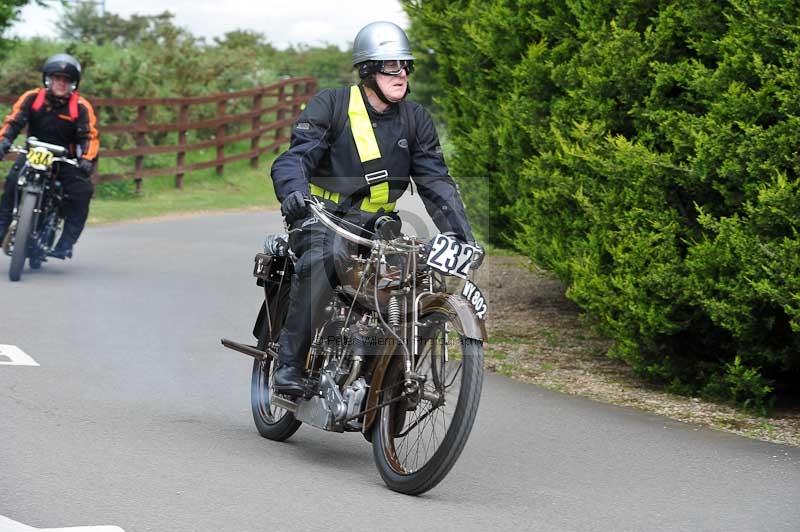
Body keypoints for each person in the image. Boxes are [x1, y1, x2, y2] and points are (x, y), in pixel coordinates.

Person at [269, 21, 479, 396]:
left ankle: (384, 376)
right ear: (367, 69)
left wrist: (462, 236)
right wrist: (294, 195)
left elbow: (436, 182)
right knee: (325, 257)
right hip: (323, 217)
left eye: (405, 65)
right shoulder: (332, 105)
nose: (401, 73)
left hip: (379, 227)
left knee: (414, 274)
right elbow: (293, 160)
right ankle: (289, 365)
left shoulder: (416, 120)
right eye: (390, 65)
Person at [0, 53, 99, 259]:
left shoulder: (81, 107)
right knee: (11, 184)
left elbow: (88, 135)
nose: (61, 83)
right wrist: (4, 142)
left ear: (73, 84)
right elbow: (13, 122)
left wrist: (87, 159)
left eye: (66, 80)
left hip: (64, 159)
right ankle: (2, 229)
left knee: (82, 192)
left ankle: (65, 244)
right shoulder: (32, 98)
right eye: (56, 78)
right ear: (48, 79)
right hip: (33, 152)